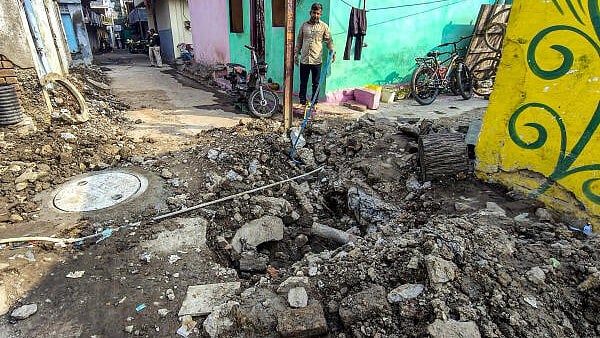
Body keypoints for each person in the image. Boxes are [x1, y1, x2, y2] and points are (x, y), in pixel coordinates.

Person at [294, 2, 335, 108]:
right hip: (304, 59)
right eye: (314, 13)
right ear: (310, 12)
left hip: (316, 60)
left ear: (320, 14)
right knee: (303, 82)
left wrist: (332, 51)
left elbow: (329, 40)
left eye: (318, 13)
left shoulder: (324, 26)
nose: (316, 15)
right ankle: (302, 100)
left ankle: (314, 101)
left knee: (315, 83)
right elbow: (299, 40)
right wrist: (295, 53)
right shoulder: (304, 25)